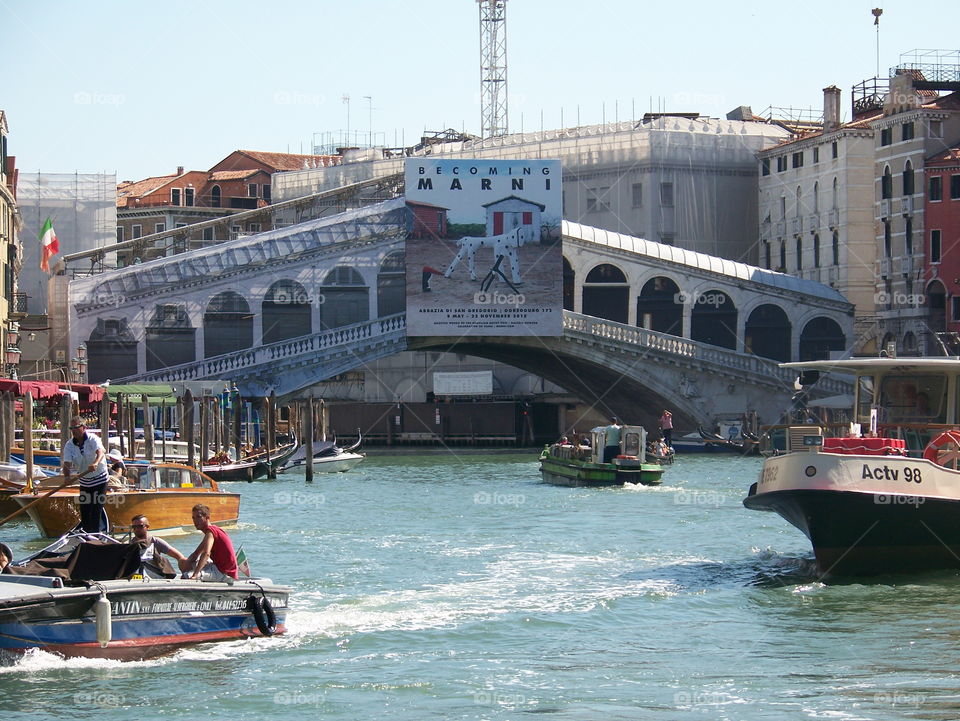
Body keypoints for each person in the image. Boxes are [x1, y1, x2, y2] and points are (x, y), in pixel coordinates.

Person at [61, 417, 109, 533]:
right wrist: (67, 477)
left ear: (83, 427)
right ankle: (87, 535)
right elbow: (67, 463)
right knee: (85, 511)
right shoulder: (69, 445)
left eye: (76, 427)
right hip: (85, 482)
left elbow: (100, 452)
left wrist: (95, 463)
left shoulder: (93, 438)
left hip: (100, 479)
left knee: (96, 509)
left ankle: (95, 535)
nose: (73, 430)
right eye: (71, 428)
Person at [180, 504, 238, 582]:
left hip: (224, 572)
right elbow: (196, 553)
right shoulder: (210, 532)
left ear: (207, 517)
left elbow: (206, 554)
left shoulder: (211, 532)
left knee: (186, 576)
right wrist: (186, 564)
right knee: (182, 562)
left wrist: (195, 574)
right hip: (216, 566)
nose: (195, 520)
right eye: (193, 518)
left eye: (199, 517)